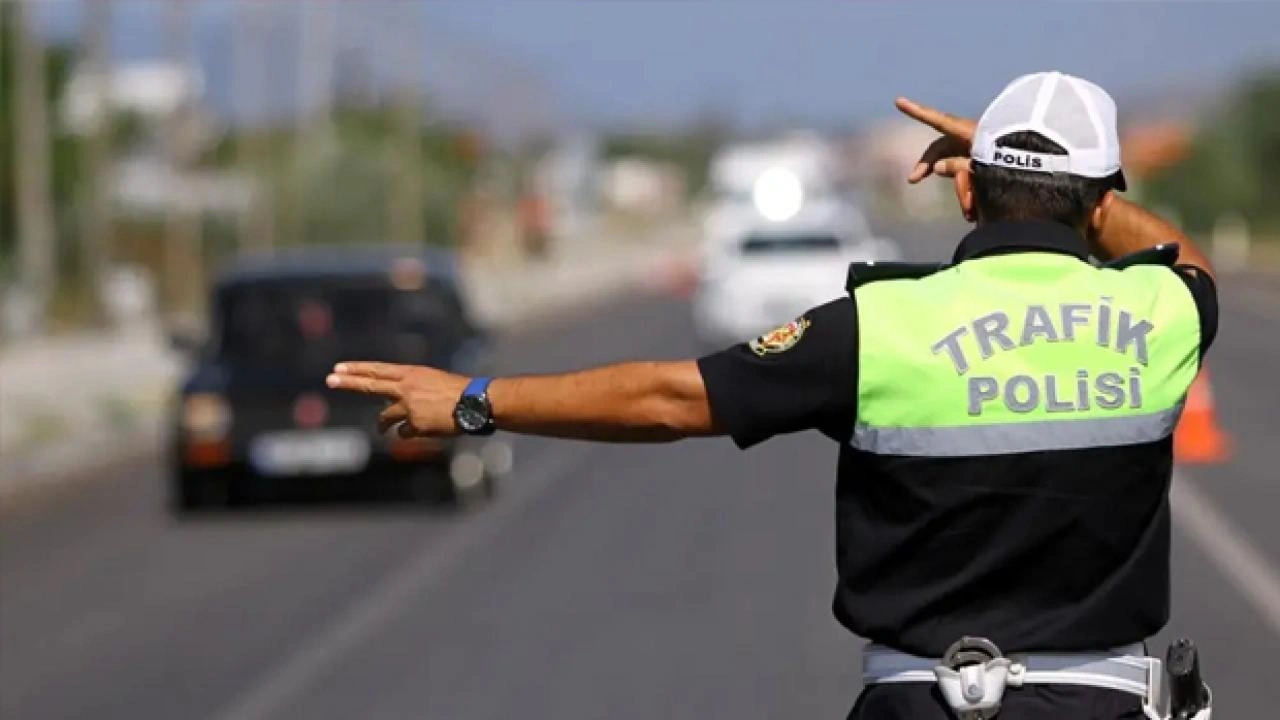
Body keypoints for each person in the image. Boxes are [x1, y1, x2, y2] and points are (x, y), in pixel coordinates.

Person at [327, 72, 1217, 720]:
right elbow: (1184, 257)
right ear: (1098, 203)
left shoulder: (878, 325)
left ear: (969, 190)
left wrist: (476, 400)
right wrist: (1068, 189)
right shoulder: (1163, 310)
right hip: (1108, 706)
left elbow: (671, 399)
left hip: (926, 705)